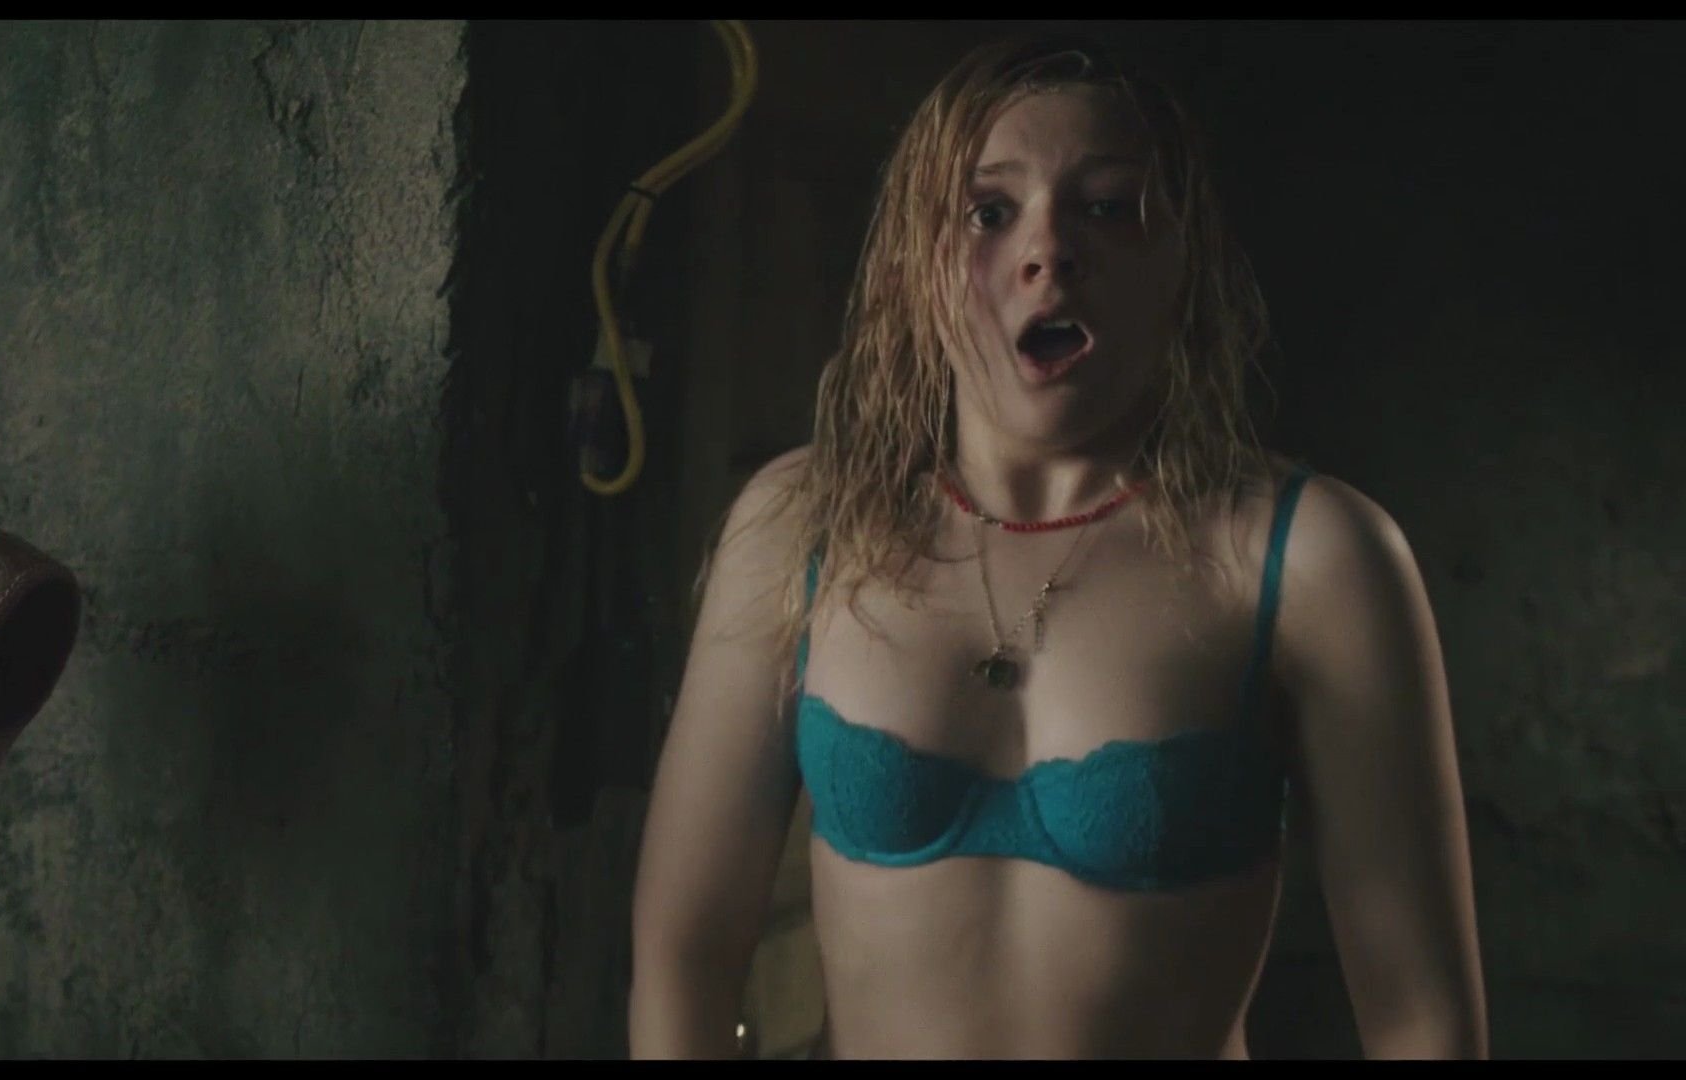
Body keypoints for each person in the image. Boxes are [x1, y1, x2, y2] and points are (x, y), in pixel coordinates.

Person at [628, 34, 1487, 1059]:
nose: (1048, 249)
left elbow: (1423, 1023)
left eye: (1108, 206)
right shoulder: (804, 524)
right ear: (914, 265)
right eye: (988, 212)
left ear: (1179, 262)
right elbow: (684, 954)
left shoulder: (1309, 556)